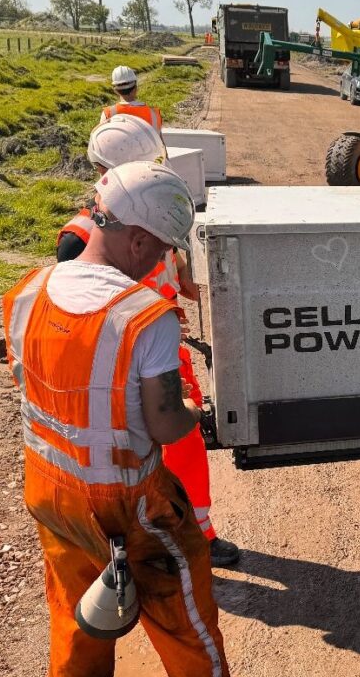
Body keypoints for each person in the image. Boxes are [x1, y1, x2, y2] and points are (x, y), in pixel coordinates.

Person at [3, 161, 285, 677]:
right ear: (136, 239)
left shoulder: (26, 292)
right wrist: (198, 416)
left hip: (50, 489)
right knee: (184, 617)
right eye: (159, 248)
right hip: (129, 504)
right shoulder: (143, 316)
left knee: (77, 617)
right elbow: (161, 424)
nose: (157, 261)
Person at [57, 115, 240, 569]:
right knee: (129, 458)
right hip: (118, 361)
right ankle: (135, 544)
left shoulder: (152, 216)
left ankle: (199, 531)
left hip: (164, 349)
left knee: (187, 447)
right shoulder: (80, 239)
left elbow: (183, 280)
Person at [100, 65, 163, 131]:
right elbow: (159, 140)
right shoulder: (154, 114)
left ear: (115, 91)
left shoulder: (108, 113)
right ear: (135, 88)